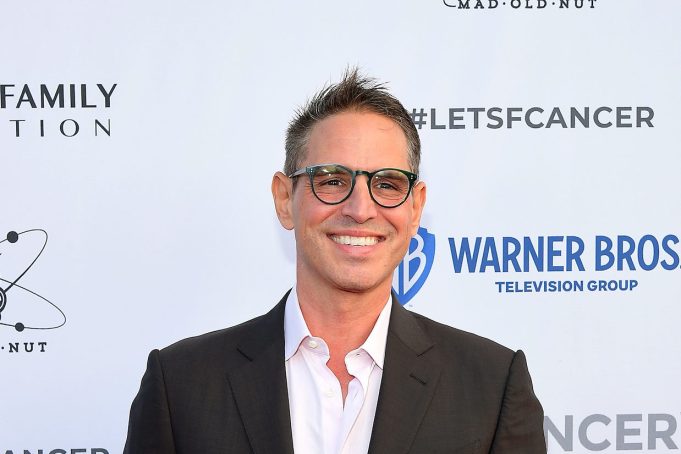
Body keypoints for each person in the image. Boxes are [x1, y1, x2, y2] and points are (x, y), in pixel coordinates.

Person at [123, 69, 546, 453]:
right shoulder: (180, 385)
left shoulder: (491, 386)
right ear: (284, 200)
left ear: (415, 209)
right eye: (331, 181)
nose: (360, 209)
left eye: (387, 183)